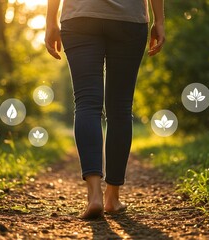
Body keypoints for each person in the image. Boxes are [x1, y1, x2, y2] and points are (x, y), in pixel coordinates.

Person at [45, 0, 165, 219]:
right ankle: (112, 197)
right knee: (120, 107)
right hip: (128, 18)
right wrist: (160, 21)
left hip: (80, 15)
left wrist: (50, 20)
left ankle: (94, 196)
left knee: (86, 103)